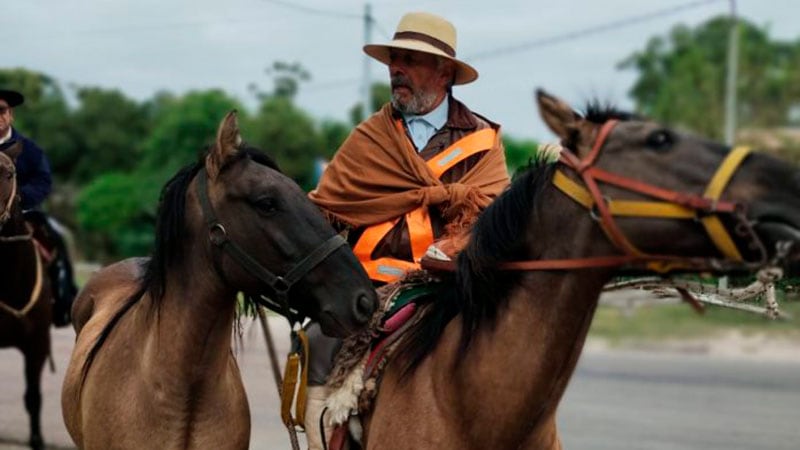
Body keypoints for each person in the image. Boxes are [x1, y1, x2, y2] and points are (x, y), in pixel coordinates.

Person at [303, 12, 510, 449]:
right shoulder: (368, 138)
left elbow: (496, 218)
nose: (396, 68)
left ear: (444, 73)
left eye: (410, 60)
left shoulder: (483, 140)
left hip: (445, 287)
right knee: (318, 340)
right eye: (394, 58)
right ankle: (326, 439)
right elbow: (326, 210)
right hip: (366, 285)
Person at [0, 88, 77, 327]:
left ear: (10, 114)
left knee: (57, 240)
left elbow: (43, 181)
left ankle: (63, 302)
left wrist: (18, 199)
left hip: (22, 213)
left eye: (1, 110)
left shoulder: (30, 150)